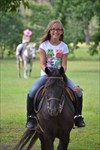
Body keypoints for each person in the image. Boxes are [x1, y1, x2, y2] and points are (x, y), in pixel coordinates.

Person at [26, 20, 85, 129]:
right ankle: (31, 118)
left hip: (60, 76)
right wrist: (48, 71)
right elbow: (42, 64)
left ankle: (78, 116)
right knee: (32, 92)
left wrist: (61, 71)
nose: (55, 31)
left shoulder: (64, 46)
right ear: (49, 31)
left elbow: (64, 65)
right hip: (46, 75)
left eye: (58, 29)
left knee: (78, 92)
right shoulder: (44, 45)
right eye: (53, 29)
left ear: (62, 32)